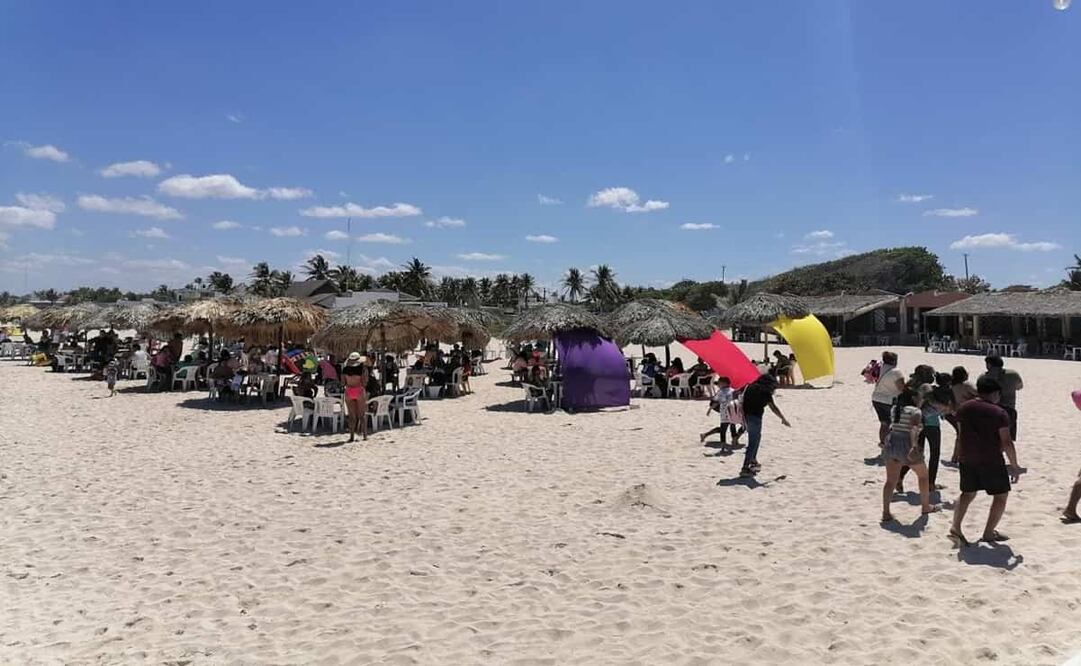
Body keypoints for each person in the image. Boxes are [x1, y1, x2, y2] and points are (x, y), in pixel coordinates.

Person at [949, 376, 1022, 546]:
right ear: (995, 393)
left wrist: (958, 454)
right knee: (1001, 495)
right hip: (991, 460)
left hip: (967, 458)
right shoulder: (999, 413)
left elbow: (960, 435)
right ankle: (988, 533)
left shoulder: (964, 408)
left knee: (967, 493)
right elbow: (1006, 442)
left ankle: (955, 527)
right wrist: (1015, 465)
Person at [881, 386, 940, 522]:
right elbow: (913, 428)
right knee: (923, 476)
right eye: (920, 397)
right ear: (913, 398)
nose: (921, 400)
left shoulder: (895, 409)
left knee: (890, 481)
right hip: (906, 443)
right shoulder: (915, 411)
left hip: (892, 443)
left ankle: (886, 512)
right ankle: (925, 506)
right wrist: (914, 446)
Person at [737, 374, 791, 478]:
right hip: (755, 418)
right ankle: (745, 468)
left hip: (746, 417)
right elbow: (773, 408)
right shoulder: (765, 392)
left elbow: (739, 396)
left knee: (756, 440)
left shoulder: (749, 387)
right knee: (753, 442)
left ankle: (753, 461)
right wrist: (783, 418)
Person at [979, 355, 1023, 442]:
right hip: (1009, 410)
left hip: (990, 410)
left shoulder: (983, 377)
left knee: (990, 439)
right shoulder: (1013, 374)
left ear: (989, 365)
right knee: (1008, 440)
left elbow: (980, 393)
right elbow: (1019, 387)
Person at [871, 351, 905, 450]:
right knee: (895, 424)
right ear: (894, 361)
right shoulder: (896, 371)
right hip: (889, 400)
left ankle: (883, 444)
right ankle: (890, 444)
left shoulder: (879, 368)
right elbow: (901, 388)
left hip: (876, 398)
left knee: (884, 423)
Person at [699, 376, 741, 447]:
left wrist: (710, 409)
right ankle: (733, 440)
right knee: (731, 426)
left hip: (725, 412)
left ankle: (723, 442)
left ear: (724, 383)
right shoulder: (732, 390)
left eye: (719, 383)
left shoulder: (721, 392)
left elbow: (716, 402)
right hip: (732, 411)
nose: (718, 385)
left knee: (724, 428)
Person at [341, 352, 369, 442]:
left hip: (349, 391)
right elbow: (364, 383)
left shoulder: (345, 369)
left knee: (351, 416)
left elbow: (342, 383)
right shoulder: (362, 369)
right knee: (362, 415)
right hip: (359, 390)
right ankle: (365, 436)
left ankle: (352, 436)